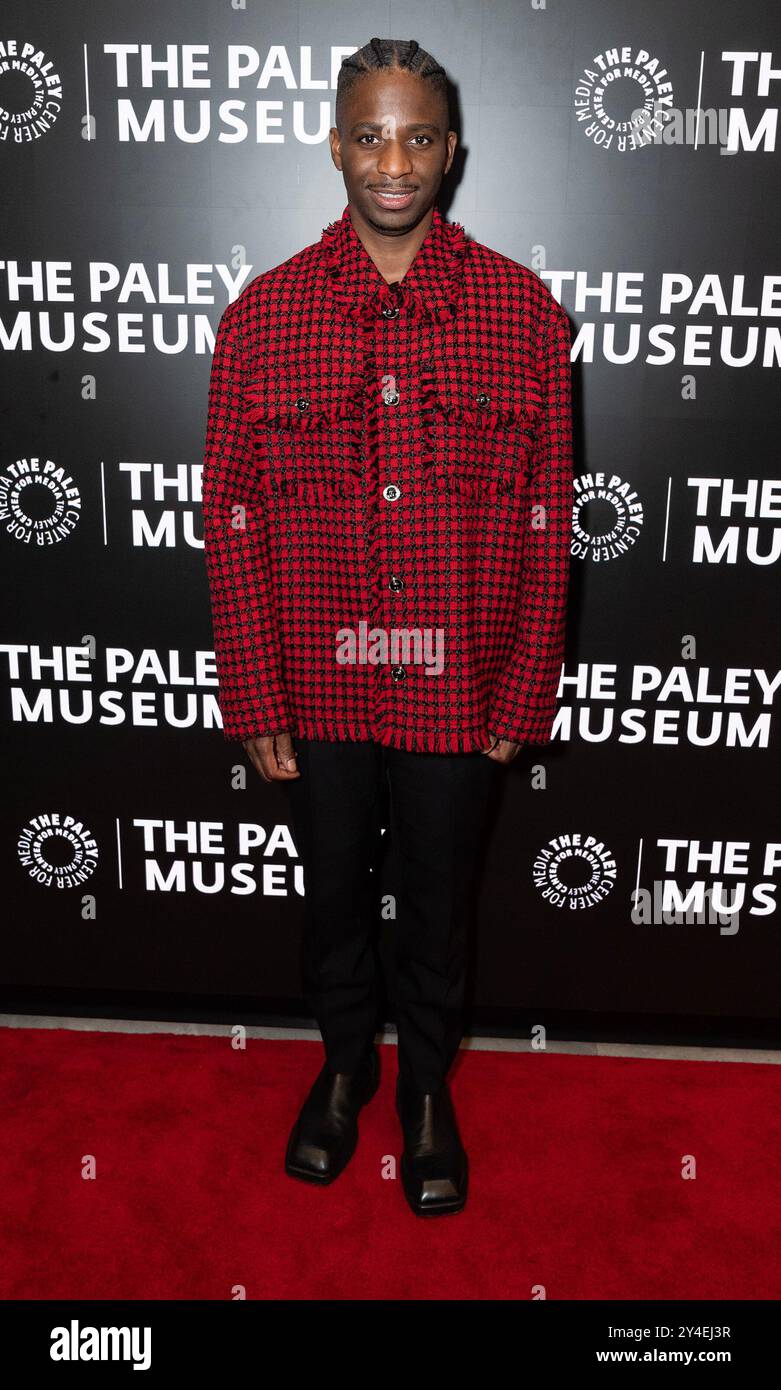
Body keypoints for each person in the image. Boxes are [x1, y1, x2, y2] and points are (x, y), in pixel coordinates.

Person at [201, 37, 573, 1217]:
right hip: (317, 684)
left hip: (453, 688)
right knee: (331, 900)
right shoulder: (264, 316)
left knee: (437, 895)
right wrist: (255, 693)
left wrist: (521, 695)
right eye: (370, 134)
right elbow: (233, 519)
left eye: (418, 136)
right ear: (334, 144)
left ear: (451, 150)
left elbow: (547, 520)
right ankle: (344, 1063)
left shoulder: (519, 311)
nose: (394, 160)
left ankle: (426, 1088)